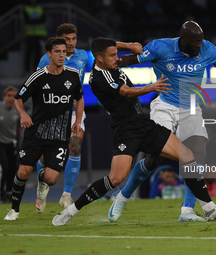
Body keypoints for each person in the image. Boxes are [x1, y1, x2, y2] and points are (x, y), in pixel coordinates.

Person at [51, 37, 216, 226]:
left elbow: (108, 44)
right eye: (113, 56)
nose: (118, 59)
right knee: (116, 178)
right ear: (99, 59)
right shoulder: (99, 78)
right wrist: (151, 87)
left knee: (188, 155)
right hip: (125, 131)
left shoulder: (108, 63)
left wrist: (128, 46)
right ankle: (71, 210)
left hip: (144, 126)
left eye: (117, 54)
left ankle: (209, 208)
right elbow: (126, 91)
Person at [111, 20, 216, 222]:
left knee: (198, 150)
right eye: (195, 42)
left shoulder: (207, 49)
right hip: (164, 106)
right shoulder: (161, 47)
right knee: (153, 159)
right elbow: (129, 60)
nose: (198, 45)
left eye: (200, 41)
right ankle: (122, 198)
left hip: (191, 108)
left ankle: (187, 211)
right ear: (183, 40)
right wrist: (110, 65)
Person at [36, 23, 143, 209]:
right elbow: (36, 86)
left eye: (74, 38)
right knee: (46, 157)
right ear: (59, 39)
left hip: (75, 110)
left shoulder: (82, 56)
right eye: (67, 39)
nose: (71, 43)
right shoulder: (46, 60)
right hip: (52, 112)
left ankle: (67, 194)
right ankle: (42, 186)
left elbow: (106, 49)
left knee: (75, 147)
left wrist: (129, 46)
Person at [4, 37, 84, 220]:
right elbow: (18, 98)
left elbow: (79, 98)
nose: (62, 55)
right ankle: (14, 209)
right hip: (36, 133)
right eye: (57, 51)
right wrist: (23, 114)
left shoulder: (72, 75)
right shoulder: (38, 76)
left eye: (64, 52)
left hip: (59, 136)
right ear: (49, 54)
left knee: (51, 179)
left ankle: (42, 178)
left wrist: (78, 121)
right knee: (23, 172)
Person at [0, 86, 19, 203]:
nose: (11, 98)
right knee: (4, 166)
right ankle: (0, 195)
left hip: (10, 143)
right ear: (4, 97)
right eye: (9, 96)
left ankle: (8, 193)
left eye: (14, 96)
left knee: (12, 168)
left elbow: (23, 127)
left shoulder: (18, 109)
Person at [23, 0, 47, 72]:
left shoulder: (40, 9)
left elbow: (43, 19)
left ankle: (36, 70)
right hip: (29, 34)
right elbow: (27, 20)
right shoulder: (26, 9)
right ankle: (27, 70)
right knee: (29, 52)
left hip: (39, 34)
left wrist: (33, 20)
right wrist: (36, 20)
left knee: (38, 53)